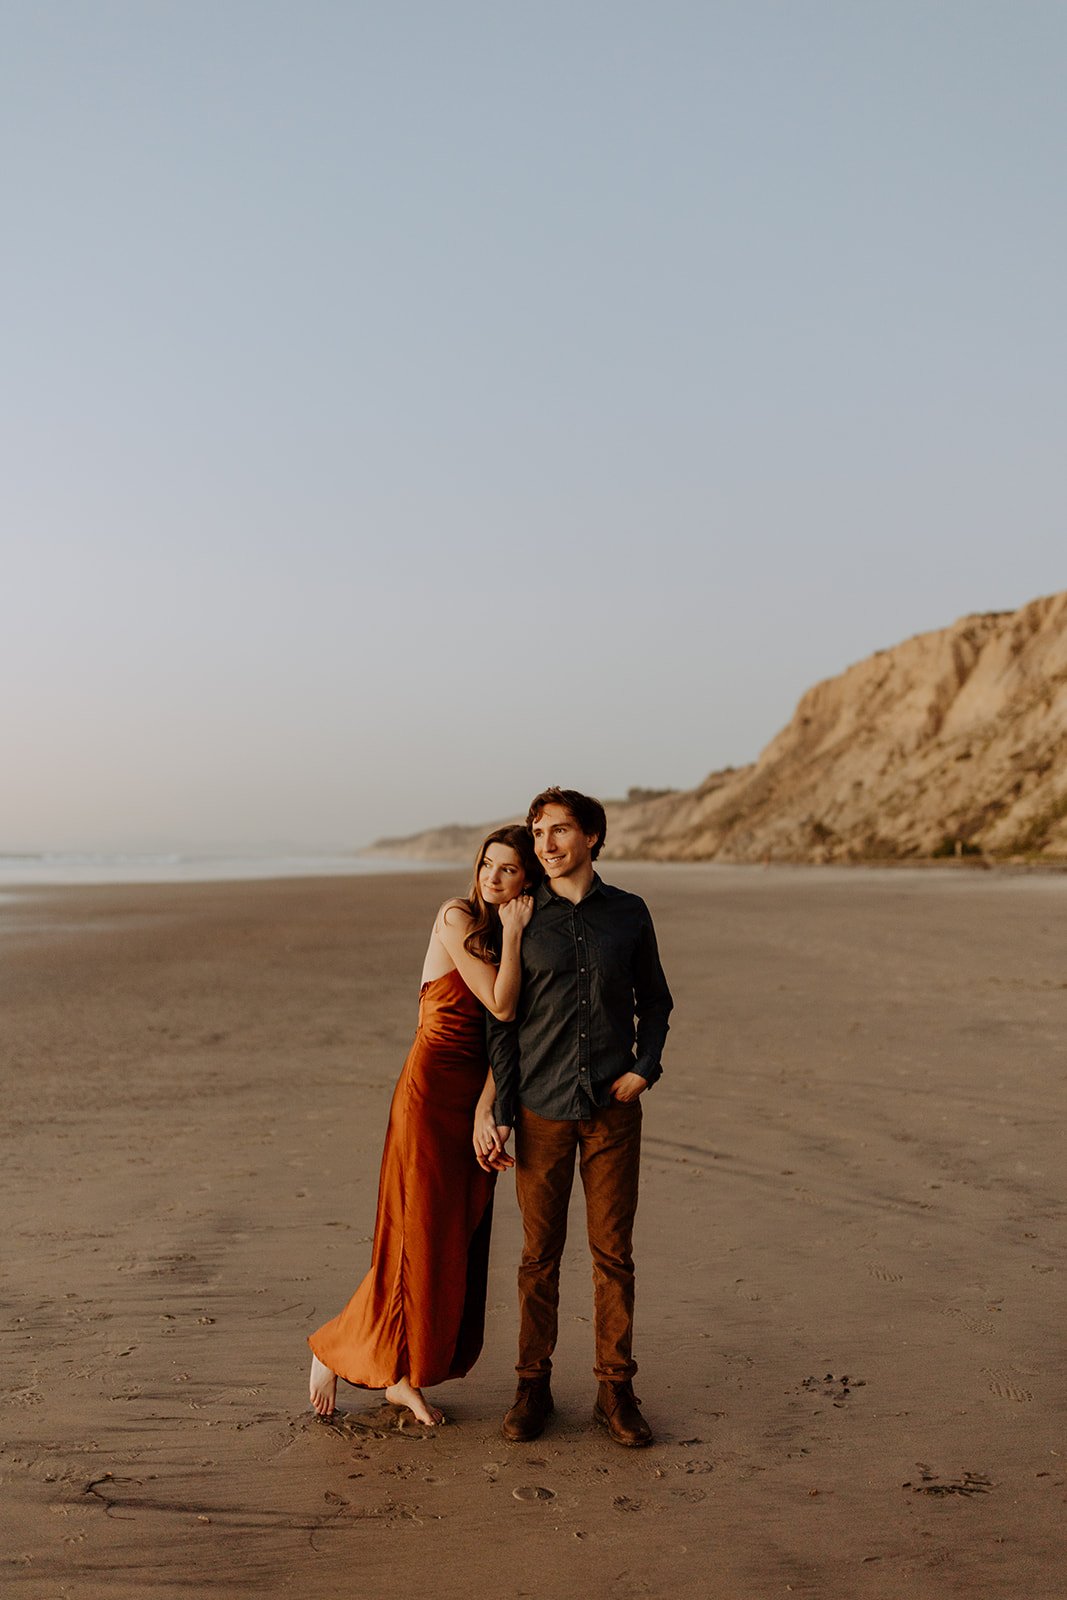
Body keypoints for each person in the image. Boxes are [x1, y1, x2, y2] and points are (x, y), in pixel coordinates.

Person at [307, 826, 538, 1425]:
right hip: (429, 1092)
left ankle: (397, 1370)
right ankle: (342, 1352)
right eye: (488, 864)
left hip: (471, 1100)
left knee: (450, 1236)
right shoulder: (457, 916)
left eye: (509, 869)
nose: (493, 877)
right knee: (415, 1235)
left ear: (526, 881)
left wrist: (490, 1105)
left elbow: (505, 1043)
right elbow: (503, 1004)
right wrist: (512, 933)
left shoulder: (512, 934)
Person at [482, 788, 673, 1448]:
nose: (546, 844)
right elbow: (500, 1026)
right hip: (540, 1112)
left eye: (560, 831)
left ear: (591, 836)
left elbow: (656, 1000)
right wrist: (502, 1111)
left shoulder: (628, 914)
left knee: (611, 1256)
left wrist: (644, 1066)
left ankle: (613, 1392)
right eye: (538, 833)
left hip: (611, 1112)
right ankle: (531, 1387)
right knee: (538, 1258)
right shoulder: (519, 919)